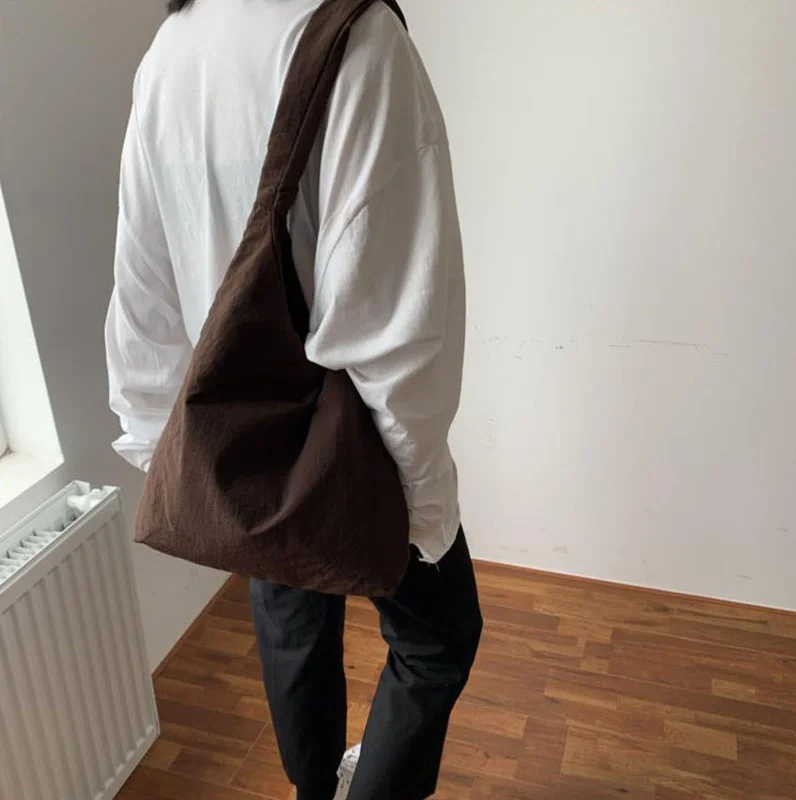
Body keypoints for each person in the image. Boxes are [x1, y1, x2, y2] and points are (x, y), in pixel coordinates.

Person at [105, 1, 483, 798]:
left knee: (292, 629)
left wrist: (165, 449)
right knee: (438, 639)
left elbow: (143, 295)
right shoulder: (361, 40)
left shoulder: (170, 49)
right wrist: (426, 510)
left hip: (244, 447)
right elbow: (396, 332)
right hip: (356, 448)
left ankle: (318, 789)